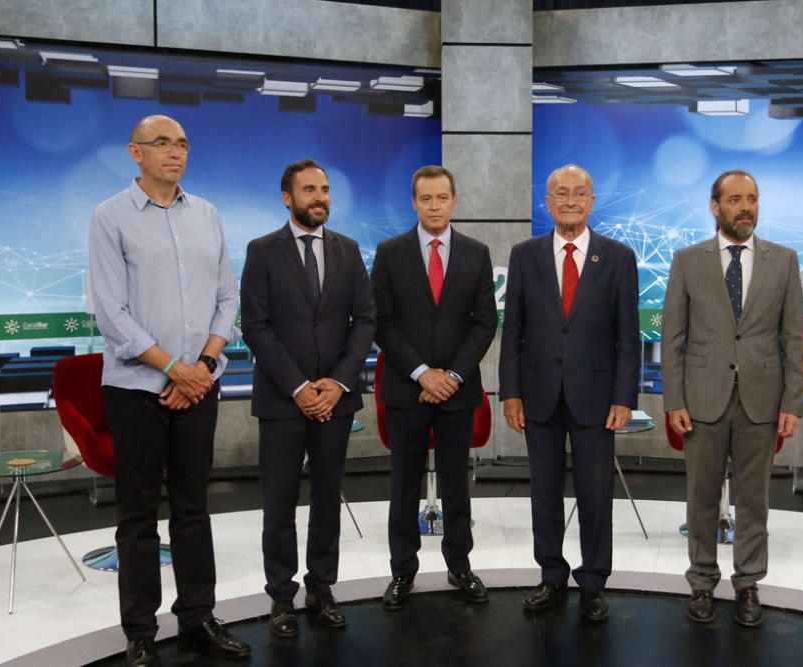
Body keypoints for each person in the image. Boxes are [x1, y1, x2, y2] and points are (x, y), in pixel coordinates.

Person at [89, 115, 249, 666]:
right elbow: (113, 313)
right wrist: (172, 369)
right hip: (135, 389)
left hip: (199, 385)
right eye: (162, 144)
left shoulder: (206, 214)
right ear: (135, 152)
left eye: (182, 144)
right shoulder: (109, 217)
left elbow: (227, 299)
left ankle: (199, 619)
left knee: (193, 509)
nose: (175, 153)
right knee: (137, 516)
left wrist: (201, 366)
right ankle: (139, 632)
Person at [661, 169, 803, 627]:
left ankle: (747, 583)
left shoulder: (784, 261)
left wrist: (791, 403)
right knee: (701, 498)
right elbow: (672, 337)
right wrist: (673, 401)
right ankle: (702, 581)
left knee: (754, 500)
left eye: (753, 199)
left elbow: (795, 339)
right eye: (737, 199)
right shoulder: (687, 260)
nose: (747, 207)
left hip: (762, 400)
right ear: (715, 206)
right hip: (702, 399)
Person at [240, 159, 376, 638]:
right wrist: (300, 387)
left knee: (326, 500)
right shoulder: (261, 252)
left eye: (324, 189)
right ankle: (281, 595)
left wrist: (337, 384)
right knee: (279, 503)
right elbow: (255, 327)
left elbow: (366, 319)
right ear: (287, 197)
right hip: (282, 401)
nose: (320, 197)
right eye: (309, 190)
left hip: (334, 401)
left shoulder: (348, 249)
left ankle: (321, 589)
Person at [499, 164, 639, 622]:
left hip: (598, 397)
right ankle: (551, 576)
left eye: (580, 193)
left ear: (592, 202)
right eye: (562, 193)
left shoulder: (617, 257)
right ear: (548, 202)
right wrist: (510, 392)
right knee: (544, 491)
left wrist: (624, 397)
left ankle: (594, 581)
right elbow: (513, 330)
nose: (571, 200)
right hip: (538, 394)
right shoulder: (525, 255)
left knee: (596, 493)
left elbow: (627, 335)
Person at [371, 165, 498, 610]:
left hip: (458, 391)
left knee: (456, 484)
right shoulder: (390, 252)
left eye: (442, 197)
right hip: (407, 389)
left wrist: (451, 377)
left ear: (454, 200)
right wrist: (423, 373)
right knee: (403, 485)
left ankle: (460, 566)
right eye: (426, 199)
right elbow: (381, 324)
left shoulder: (476, 253)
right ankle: (402, 571)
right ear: (414, 203)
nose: (434, 206)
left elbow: (485, 323)